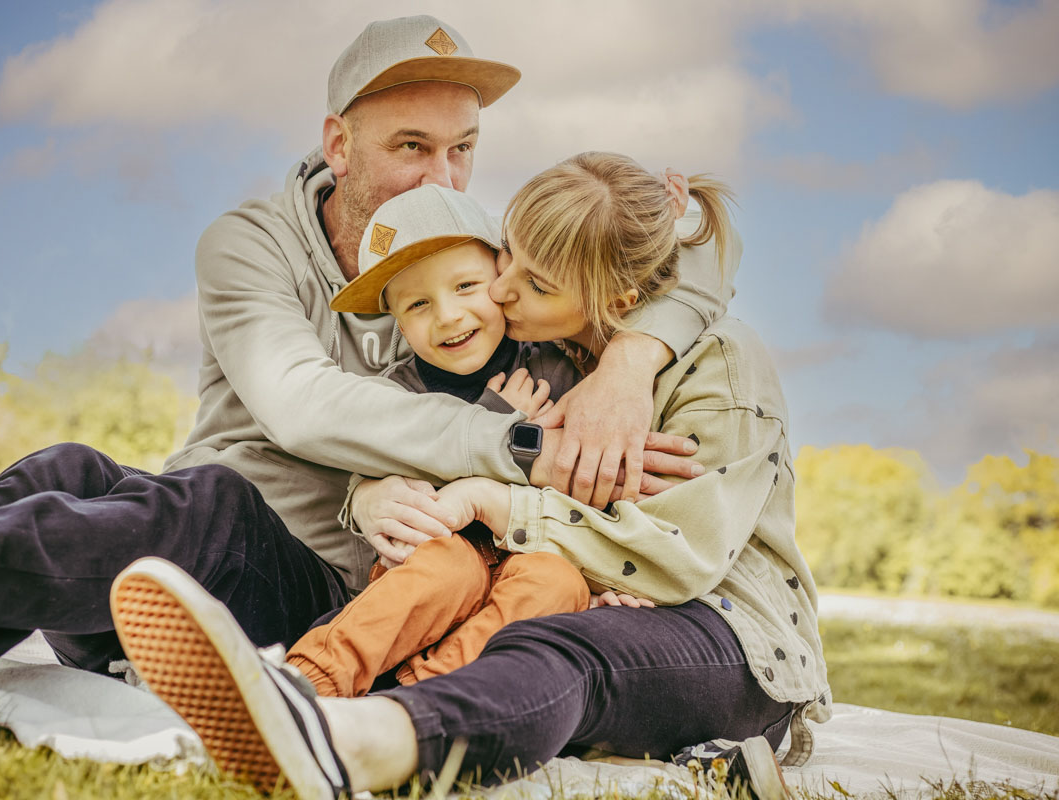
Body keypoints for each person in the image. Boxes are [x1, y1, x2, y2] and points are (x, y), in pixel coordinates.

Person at [0, 16, 710, 719]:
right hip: (178, 566)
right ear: (338, 146)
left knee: (211, 504)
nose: (441, 176)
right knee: (69, 469)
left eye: (463, 149)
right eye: (411, 147)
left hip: (325, 590)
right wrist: (516, 448)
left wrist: (631, 362)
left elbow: (663, 268)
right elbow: (302, 405)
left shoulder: (481, 259)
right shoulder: (248, 242)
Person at [110, 152, 832, 800]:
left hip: (721, 622)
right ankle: (300, 689)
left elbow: (683, 551)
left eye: (534, 280)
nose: (502, 291)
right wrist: (372, 494)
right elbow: (421, 427)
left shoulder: (720, 367)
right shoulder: (548, 341)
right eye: (506, 255)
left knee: (553, 644)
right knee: (461, 581)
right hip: (567, 584)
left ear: (614, 300)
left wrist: (498, 494)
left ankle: (356, 736)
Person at [289, 183, 597, 697]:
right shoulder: (395, 394)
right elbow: (404, 494)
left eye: (466, 287)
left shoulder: (558, 364)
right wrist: (499, 419)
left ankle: (416, 700)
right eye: (418, 304)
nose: (448, 316)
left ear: (503, 275)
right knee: (448, 566)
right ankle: (310, 681)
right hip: (440, 561)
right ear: (396, 321)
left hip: (539, 547)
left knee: (558, 583)